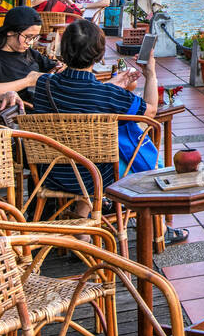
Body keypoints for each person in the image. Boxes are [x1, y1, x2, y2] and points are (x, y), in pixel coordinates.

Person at [28, 19, 185, 243]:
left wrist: (112, 84)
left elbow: (80, 98)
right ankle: (156, 228)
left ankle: (82, 233)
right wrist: (150, 74)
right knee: (138, 157)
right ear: (100, 55)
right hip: (95, 178)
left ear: (63, 51)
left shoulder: (44, 85)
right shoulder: (108, 96)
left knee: (84, 152)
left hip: (49, 174)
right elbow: (149, 112)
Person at [0, 7, 59, 106]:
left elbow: (53, 67)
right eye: (28, 37)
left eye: (34, 37)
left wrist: (59, 68)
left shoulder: (30, 52)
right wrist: (28, 81)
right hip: (19, 110)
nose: (31, 42)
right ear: (10, 32)